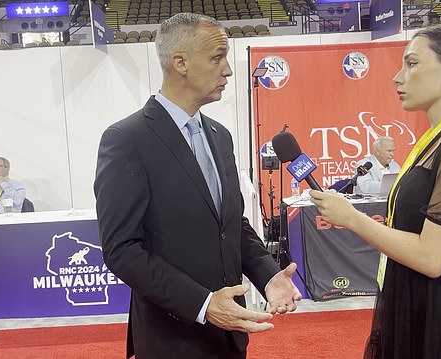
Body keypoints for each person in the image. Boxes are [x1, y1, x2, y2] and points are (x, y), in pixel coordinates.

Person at [94, 13, 301, 359]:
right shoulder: (127, 140)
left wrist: (268, 276)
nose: (228, 70)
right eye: (217, 58)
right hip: (171, 340)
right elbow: (121, 250)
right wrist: (204, 305)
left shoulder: (220, 136)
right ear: (180, 63)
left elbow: (231, 227)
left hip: (231, 337)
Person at [310, 23, 441, 358]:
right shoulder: (436, 140)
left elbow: (433, 257)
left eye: (412, 63)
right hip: (418, 299)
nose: (398, 77)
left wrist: (352, 218)